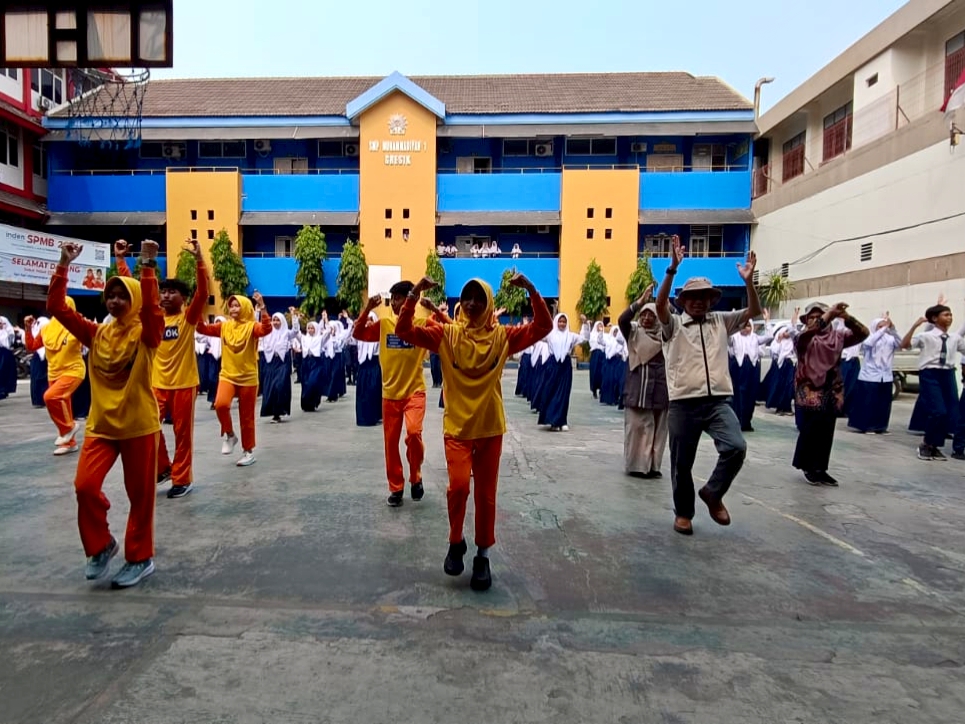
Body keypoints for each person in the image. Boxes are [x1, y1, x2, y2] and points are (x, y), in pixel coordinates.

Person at [396, 273, 552, 591]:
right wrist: (414, 293)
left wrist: (532, 290)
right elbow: (403, 331)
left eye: (478, 298)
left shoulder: (503, 338)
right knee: (457, 488)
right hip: (457, 428)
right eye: (467, 297)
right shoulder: (447, 335)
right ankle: (456, 542)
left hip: (490, 428)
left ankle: (482, 555)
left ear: (488, 302)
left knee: (485, 494)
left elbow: (544, 327)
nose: (471, 303)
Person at [47, 240, 164, 588]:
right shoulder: (95, 333)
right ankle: (101, 546)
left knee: (140, 498)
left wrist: (146, 266)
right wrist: (63, 264)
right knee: (84, 486)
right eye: (110, 295)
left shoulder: (147, 335)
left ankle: (141, 558)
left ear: (134, 301)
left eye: (122, 296)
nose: (114, 301)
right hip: (101, 426)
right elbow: (57, 307)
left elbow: (154, 311)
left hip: (139, 425)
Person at [655, 234, 760, 536]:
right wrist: (672, 269)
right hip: (684, 402)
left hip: (717, 402)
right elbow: (660, 305)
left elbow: (752, 312)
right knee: (681, 464)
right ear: (684, 301)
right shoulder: (673, 325)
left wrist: (749, 282)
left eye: (704, 296)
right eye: (693, 297)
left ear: (712, 300)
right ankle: (683, 512)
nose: (699, 301)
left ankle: (713, 493)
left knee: (736, 446)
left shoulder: (721, 321)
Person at [115, 238, 209, 498]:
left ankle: (182, 478)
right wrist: (121, 260)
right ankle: (164, 467)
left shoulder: (187, 318)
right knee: (148, 427)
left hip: (184, 385)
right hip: (156, 385)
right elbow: (135, 292)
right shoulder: (153, 319)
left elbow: (202, 293)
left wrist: (200, 259)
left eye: (172, 292)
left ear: (183, 297)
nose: (166, 296)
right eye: (163, 292)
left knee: (182, 434)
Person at [353, 282, 429, 507]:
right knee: (390, 443)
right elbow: (358, 333)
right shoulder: (384, 324)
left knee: (414, 433)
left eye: (398, 298)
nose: (393, 303)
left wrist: (434, 310)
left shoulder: (422, 324)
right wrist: (367, 309)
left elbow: (448, 332)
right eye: (392, 298)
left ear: (410, 301)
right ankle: (396, 487)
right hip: (390, 394)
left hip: (414, 391)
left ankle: (415, 475)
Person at [793, 302, 869, 484]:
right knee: (811, 427)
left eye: (818, 316)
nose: (815, 320)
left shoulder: (838, 337)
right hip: (810, 387)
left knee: (827, 429)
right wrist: (829, 314)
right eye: (811, 317)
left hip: (831, 387)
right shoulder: (804, 338)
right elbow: (806, 333)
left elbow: (864, 333)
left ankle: (820, 468)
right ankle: (808, 466)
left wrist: (845, 317)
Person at [197, 291, 273, 467]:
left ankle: (248, 451)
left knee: (247, 417)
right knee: (220, 404)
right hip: (227, 375)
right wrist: (199, 308)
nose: (233, 308)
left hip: (248, 378)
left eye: (237, 305)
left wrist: (262, 307)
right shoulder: (224, 327)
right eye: (231, 305)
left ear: (245, 308)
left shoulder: (252, 327)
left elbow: (266, 329)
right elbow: (202, 329)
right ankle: (230, 435)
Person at [902, 304, 965, 461]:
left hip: (948, 374)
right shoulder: (926, 336)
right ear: (935, 318)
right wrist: (914, 326)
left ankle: (935, 446)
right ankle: (926, 444)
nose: (949, 318)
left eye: (950, 315)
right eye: (945, 315)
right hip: (930, 373)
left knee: (950, 411)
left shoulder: (954, 338)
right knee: (938, 410)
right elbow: (905, 345)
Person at [24, 296, 87, 454]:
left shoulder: (77, 324)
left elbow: (93, 338)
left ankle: (69, 428)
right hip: (54, 373)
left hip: (73, 370)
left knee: (50, 397)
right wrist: (27, 328)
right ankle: (69, 443)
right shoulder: (47, 329)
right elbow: (31, 346)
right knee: (62, 406)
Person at [619, 286, 669, 478]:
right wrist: (639, 302)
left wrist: (666, 305)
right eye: (644, 315)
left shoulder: (666, 335)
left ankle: (653, 467)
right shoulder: (633, 333)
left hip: (660, 388)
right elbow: (623, 320)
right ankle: (637, 466)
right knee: (637, 428)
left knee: (658, 430)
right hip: (637, 389)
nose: (647, 319)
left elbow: (678, 323)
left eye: (652, 315)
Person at [847, 315, 902, 435]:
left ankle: (881, 427)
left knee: (883, 404)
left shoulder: (890, 339)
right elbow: (868, 344)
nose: (884, 328)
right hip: (870, 375)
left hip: (885, 376)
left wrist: (893, 329)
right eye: (880, 326)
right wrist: (882, 330)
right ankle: (867, 426)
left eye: (885, 326)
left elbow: (901, 344)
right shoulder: (869, 337)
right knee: (868, 403)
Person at [538, 313, 587, 431]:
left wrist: (585, 324)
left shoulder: (571, 336)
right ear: (556, 322)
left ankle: (562, 420)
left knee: (564, 393)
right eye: (560, 321)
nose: (562, 324)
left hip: (565, 366)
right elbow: (538, 335)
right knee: (551, 391)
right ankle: (552, 420)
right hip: (552, 365)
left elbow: (584, 339)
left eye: (564, 322)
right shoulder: (550, 335)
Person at [728, 311, 773, 432]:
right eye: (743, 325)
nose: (746, 328)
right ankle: (738, 421)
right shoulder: (734, 337)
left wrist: (767, 321)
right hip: (738, 368)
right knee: (739, 395)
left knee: (751, 394)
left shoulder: (755, 338)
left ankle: (747, 422)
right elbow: (727, 338)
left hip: (752, 368)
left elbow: (769, 336)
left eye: (748, 325)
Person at [259, 311, 299, 422]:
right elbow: (258, 326)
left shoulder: (286, 333)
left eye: (278, 320)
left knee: (280, 386)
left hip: (282, 362)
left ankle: (280, 410)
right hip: (270, 362)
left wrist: (294, 316)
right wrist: (258, 312)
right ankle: (274, 413)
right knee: (270, 387)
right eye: (274, 320)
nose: (276, 322)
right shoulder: (268, 332)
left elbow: (296, 331)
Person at [355, 312, 383, 426]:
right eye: (366, 320)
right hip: (363, 368)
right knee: (362, 393)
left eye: (371, 319)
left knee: (373, 391)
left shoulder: (379, 335)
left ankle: (373, 417)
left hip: (373, 367)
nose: (368, 322)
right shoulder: (361, 336)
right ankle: (362, 418)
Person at [766, 324, 797, 416]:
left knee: (789, 386)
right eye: (785, 332)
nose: (786, 334)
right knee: (780, 386)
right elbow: (775, 352)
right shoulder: (776, 342)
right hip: (780, 365)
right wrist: (779, 341)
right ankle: (779, 407)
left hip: (789, 364)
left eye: (787, 332)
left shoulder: (791, 342)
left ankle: (787, 407)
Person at [299, 320, 327, 411]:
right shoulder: (304, 338)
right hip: (306, 361)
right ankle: (307, 404)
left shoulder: (320, 338)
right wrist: (294, 317)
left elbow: (328, 332)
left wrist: (325, 320)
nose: (310, 330)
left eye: (312, 328)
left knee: (313, 382)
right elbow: (296, 332)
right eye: (309, 328)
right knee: (305, 383)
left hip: (316, 362)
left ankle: (313, 401)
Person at [599, 325, 626, 407]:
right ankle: (607, 399)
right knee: (607, 380)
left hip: (617, 361)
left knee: (616, 380)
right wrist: (600, 332)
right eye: (614, 331)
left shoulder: (620, 341)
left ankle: (615, 398)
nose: (615, 333)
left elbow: (623, 350)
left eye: (617, 332)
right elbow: (600, 341)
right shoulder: (608, 339)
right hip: (609, 362)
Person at [28, 315, 50, 407]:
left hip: (42, 355)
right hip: (39, 356)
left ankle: (40, 400)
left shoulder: (37, 330)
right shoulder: (35, 331)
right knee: (38, 378)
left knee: (40, 378)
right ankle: (39, 400)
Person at [204, 316, 225, 409]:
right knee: (212, 379)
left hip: (224, 358)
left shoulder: (226, 333)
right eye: (216, 322)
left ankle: (220, 400)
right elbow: (203, 339)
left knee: (222, 380)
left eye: (220, 322)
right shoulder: (211, 334)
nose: (218, 324)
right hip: (213, 358)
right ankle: (213, 399)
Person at [588, 321, 606, 399]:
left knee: (603, 373)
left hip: (603, 354)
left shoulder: (605, 335)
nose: (600, 327)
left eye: (601, 325)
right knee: (595, 372)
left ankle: (602, 390)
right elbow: (592, 344)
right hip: (595, 354)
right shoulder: (592, 335)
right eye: (598, 326)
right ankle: (594, 390)